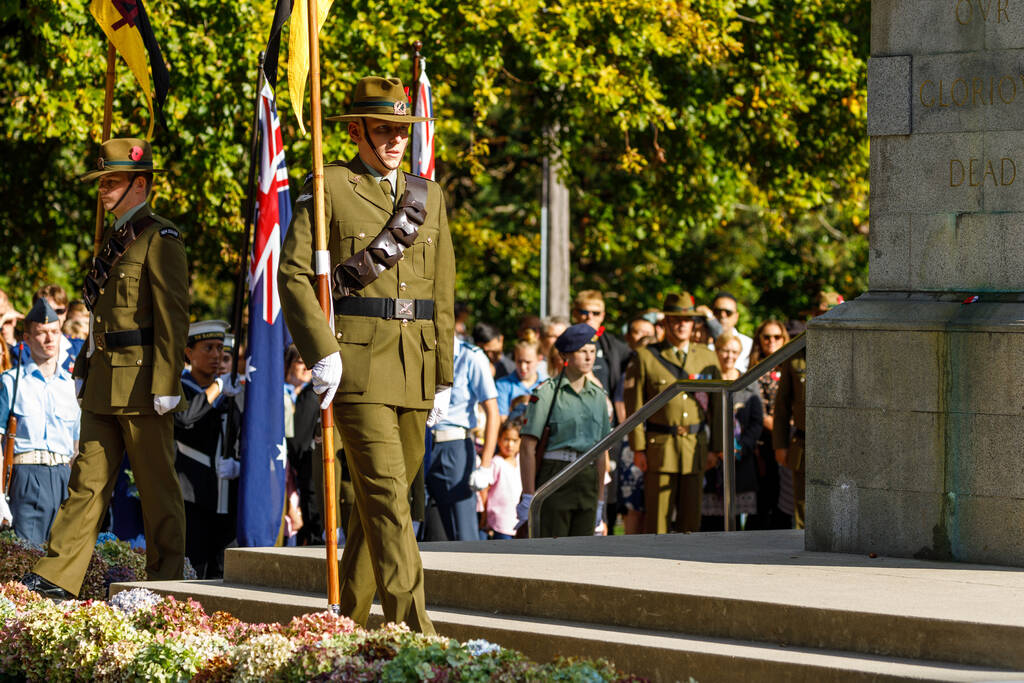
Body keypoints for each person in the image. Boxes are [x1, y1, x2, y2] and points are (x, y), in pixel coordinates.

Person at [278, 76, 453, 634]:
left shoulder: (430, 196)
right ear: (356, 131)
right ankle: (418, 634)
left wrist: (443, 372)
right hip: (356, 364)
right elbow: (295, 274)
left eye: (403, 130)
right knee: (387, 499)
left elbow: (442, 292)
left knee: (384, 501)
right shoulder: (329, 186)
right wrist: (321, 351)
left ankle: (344, 625)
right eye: (385, 130)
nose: (397, 140)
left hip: (416, 365)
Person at [20, 137, 190, 601]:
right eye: (102, 180)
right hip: (102, 380)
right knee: (86, 483)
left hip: (143, 382)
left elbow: (173, 317)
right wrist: (82, 364)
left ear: (141, 184)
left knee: (157, 489)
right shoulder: (114, 239)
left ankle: (167, 577)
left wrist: (168, 380)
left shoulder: (160, 238)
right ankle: (57, 575)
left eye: (111, 181)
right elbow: (102, 317)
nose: (103, 189)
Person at [623, 292, 723, 534]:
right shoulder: (646, 357)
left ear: (694, 324)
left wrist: (716, 447)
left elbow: (718, 405)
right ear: (665, 323)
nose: (681, 325)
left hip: (696, 446)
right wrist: (638, 448)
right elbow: (634, 406)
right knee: (657, 522)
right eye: (675, 319)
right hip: (660, 447)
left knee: (691, 522)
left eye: (687, 320)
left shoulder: (707, 356)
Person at [516, 323, 610, 538]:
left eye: (592, 352)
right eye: (582, 351)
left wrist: (600, 500)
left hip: (587, 477)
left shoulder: (598, 396)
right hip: (555, 473)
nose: (589, 357)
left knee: (582, 551)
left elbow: (601, 450)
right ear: (567, 355)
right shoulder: (547, 393)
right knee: (551, 546)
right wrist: (529, 495)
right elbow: (528, 446)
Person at [0, 299, 80, 545]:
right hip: (26, 475)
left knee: (61, 558)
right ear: (26, 338)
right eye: (41, 333)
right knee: (28, 556)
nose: (49, 339)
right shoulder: (11, 382)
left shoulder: (72, 386)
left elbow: (77, 446)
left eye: (54, 332)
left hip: (63, 476)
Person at [174, 321, 242, 579]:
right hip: (191, 494)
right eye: (208, 348)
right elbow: (186, 417)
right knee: (194, 570)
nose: (216, 355)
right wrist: (218, 388)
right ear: (189, 353)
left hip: (225, 497)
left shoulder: (228, 390)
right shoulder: (179, 387)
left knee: (224, 571)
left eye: (219, 349)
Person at [773, 291, 842, 529]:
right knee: (803, 514)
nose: (826, 320)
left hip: (839, 444)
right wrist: (780, 444)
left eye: (832, 315)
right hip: (804, 444)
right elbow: (782, 406)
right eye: (821, 315)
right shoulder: (796, 356)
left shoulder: (851, 352)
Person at [424, 335, 498, 542]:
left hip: (453, 445)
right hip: (420, 441)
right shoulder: (421, 349)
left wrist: (485, 466)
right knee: (415, 525)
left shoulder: (470, 356)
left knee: (464, 533)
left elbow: (492, 412)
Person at [701, 331, 762, 530]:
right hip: (711, 460)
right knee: (710, 524)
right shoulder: (706, 381)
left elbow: (756, 422)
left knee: (739, 523)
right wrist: (715, 449)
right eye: (724, 350)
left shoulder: (749, 382)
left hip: (740, 461)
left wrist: (739, 448)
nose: (729, 356)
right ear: (716, 351)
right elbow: (702, 418)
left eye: (734, 352)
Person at [746, 319, 792, 530]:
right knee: (765, 498)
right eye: (766, 337)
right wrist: (784, 431)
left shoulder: (792, 366)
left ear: (785, 339)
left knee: (787, 501)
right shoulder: (754, 371)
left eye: (777, 337)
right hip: (765, 443)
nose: (771, 341)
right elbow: (759, 413)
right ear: (759, 341)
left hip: (792, 440)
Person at [484, 420, 522, 539]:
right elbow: (485, 489)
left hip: (518, 521)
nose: (510, 445)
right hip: (500, 522)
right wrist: (485, 516)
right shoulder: (496, 463)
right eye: (506, 439)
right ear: (498, 439)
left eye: (514, 440)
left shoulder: (521, 461)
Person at [495, 332, 543, 420]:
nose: (523, 367)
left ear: (539, 359)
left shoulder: (546, 385)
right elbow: (502, 419)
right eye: (519, 361)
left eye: (528, 362)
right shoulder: (503, 385)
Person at [709, 292, 753, 373]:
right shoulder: (702, 343)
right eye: (717, 311)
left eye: (728, 312)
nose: (722, 315)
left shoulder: (749, 345)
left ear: (736, 317)